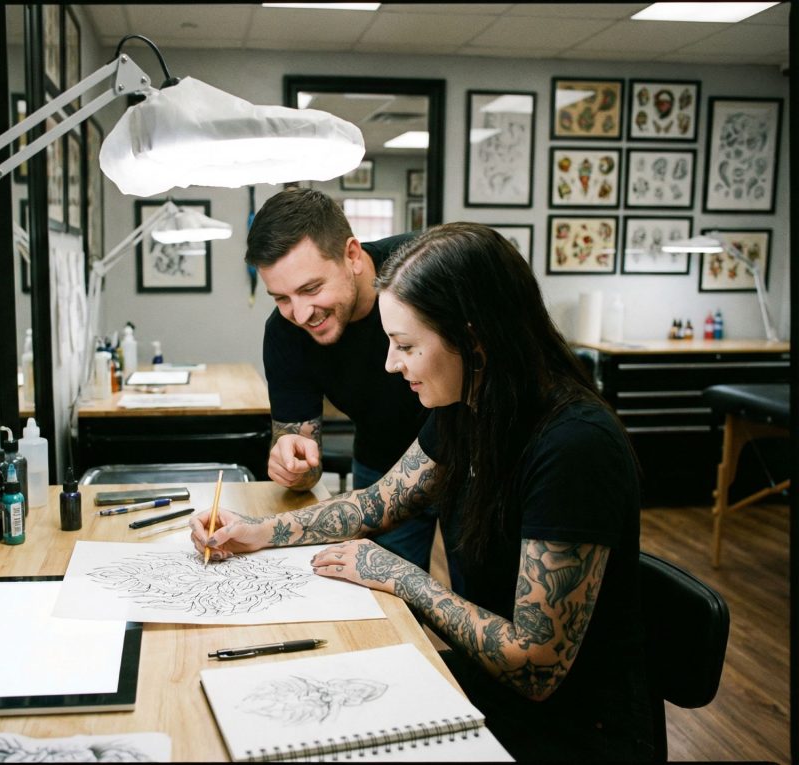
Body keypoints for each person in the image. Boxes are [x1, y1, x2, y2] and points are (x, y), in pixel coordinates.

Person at [192, 222, 654, 761]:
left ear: (474, 338)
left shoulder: (575, 446)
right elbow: (378, 502)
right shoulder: (467, 407)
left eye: (406, 345)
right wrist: (258, 532)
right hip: (493, 689)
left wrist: (399, 577)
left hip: (574, 731)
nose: (390, 364)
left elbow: (537, 668)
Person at [245, 187, 440, 575]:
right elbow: (301, 452)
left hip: (474, 455)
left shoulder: (427, 271)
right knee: (387, 601)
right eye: (280, 298)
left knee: (479, 592)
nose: (300, 314)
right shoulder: (285, 334)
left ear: (352, 255)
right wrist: (295, 463)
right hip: (380, 463)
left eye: (311, 288)